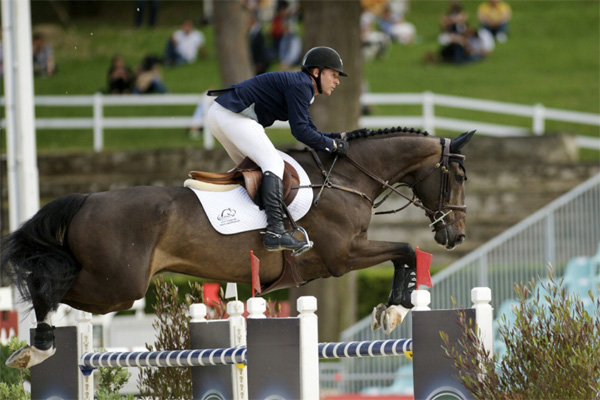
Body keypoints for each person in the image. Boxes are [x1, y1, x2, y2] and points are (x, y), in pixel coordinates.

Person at [205, 47, 350, 253]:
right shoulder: (301, 86)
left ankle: (245, 223)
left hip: (220, 114)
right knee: (273, 163)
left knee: (251, 170)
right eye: (333, 75)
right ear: (316, 73)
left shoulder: (302, 86)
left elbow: (309, 130)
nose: (337, 81)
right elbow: (300, 132)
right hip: (232, 116)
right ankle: (275, 231)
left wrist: (337, 138)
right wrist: (333, 145)